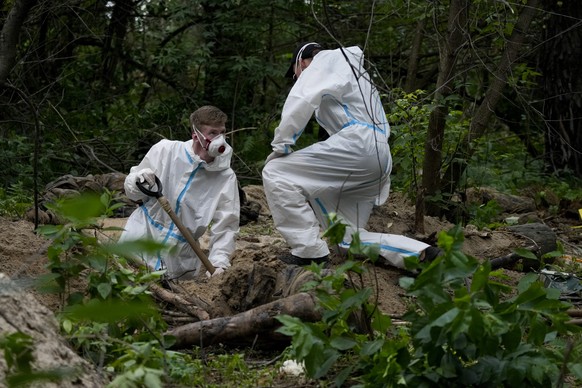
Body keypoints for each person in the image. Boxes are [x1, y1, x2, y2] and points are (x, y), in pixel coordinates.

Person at [263, 42, 435, 268]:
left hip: (358, 146)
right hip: (377, 154)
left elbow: (301, 101)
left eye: (295, 74)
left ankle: (309, 252)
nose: (295, 79)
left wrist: (281, 147)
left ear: (302, 62)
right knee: (347, 239)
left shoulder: (324, 62)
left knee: (276, 172)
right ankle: (421, 255)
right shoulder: (353, 71)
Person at [119, 105, 240, 280]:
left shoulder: (225, 177)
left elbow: (226, 225)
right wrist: (138, 180)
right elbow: (132, 193)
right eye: (213, 133)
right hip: (140, 238)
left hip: (179, 261)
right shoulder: (166, 151)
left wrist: (219, 263)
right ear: (196, 135)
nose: (220, 140)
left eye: (222, 132)